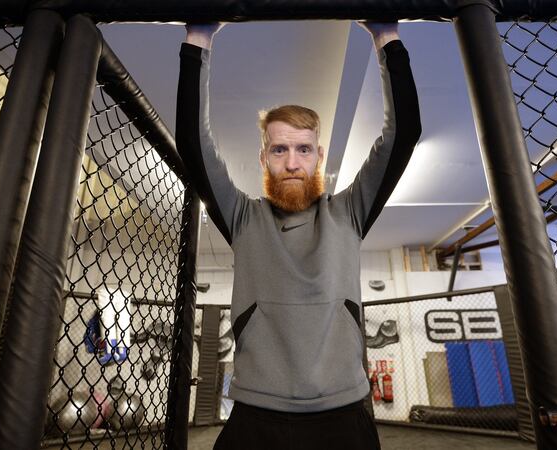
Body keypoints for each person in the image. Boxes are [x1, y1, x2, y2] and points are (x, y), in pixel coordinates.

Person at [176, 21, 421, 450]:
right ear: (264, 158)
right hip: (255, 417)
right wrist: (199, 39)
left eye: (303, 149)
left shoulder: (349, 211)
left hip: (343, 417)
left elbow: (403, 135)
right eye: (279, 149)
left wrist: (386, 38)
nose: (292, 162)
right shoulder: (242, 218)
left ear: (319, 155)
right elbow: (194, 144)